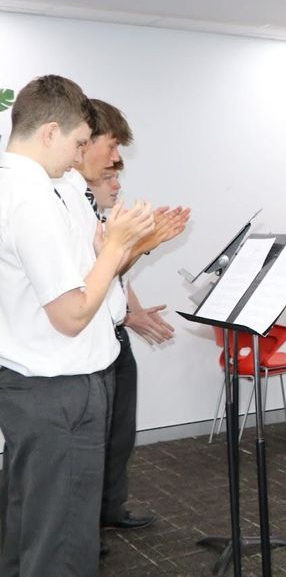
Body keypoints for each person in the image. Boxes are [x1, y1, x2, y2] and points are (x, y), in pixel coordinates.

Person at [0, 75, 154, 575]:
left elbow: (77, 272)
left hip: (38, 381)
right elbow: (69, 315)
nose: (81, 156)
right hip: (57, 384)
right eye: (77, 143)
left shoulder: (34, 185)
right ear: (48, 132)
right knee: (62, 544)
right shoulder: (30, 199)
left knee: (31, 526)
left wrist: (116, 245)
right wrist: (115, 247)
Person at [69, 100, 189, 540]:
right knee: (93, 443)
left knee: (119, 437)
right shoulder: (70, 210)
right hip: (87, 341)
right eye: (111, 171)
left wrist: (132, 312)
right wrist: (146, 242)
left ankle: (109, 511)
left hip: (113, 336)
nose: (117, 177)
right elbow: (93, 277)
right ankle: (87, 529)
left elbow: (113, 276)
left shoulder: (95, 214)